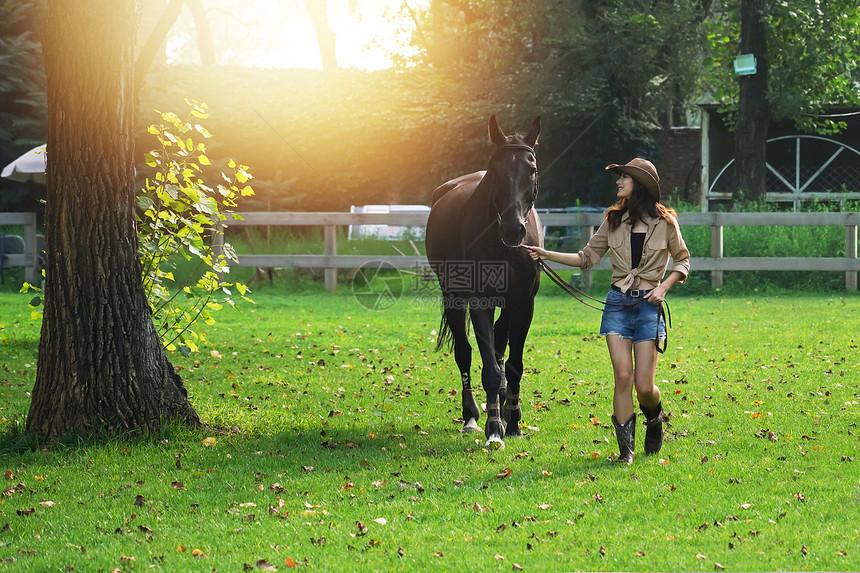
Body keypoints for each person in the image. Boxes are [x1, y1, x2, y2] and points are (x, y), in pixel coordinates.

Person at [527, 158, 690, 464]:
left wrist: (663, 287)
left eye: (623, 177)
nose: (618, 182)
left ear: (638, 184)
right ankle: (625, 451)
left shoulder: (666, 224)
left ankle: (654, 418)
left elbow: (682, 261)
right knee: (623, 376)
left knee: (644, 386)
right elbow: (586, 257)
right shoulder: (613, 221)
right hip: (617, 304)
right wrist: (546, 254)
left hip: (648, 307)